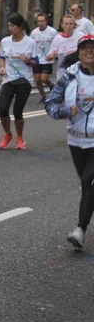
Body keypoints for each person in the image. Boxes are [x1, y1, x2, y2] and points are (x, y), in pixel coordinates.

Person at [46, 34, 94, 250]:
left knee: (88, 183)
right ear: (79, 52)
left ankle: (80, 230)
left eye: (93, 47)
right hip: (76, 140)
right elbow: (51, 104)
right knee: (87, 186)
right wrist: (67, 110)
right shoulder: (70, 76)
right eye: (85, 48)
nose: (89, 51)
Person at [0, 14, 37, 150]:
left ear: (20, 27)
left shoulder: (30, 42)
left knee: (17, 111)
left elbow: (36, 63)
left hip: (24, 80)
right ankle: (7, 135)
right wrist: (1, 66)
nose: (10, 28)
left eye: (12, 26)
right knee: (3, 108)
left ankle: (20, 137)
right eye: (8, 26)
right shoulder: (5, 41)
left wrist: (27, 60)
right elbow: (1, 56)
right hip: (8, 79)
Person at [30, 13, 58, 103]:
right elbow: (30, 44)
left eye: (42, 21)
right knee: (37, 79)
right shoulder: (34, 33)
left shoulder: (52, 32)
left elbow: (57, 43)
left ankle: (51, 84)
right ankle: (43, 96)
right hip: (37, 58)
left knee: (43, 79)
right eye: (38, 21)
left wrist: (54, 54)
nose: (40, 23)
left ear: (46, 21)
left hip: (47, 58)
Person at [47, 15, 81, 80]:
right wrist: (51, 56)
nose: (68, 26)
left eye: (71, 24)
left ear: (74, 25)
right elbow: (49, 57)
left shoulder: (80, 36)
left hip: (77, 71)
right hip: (62, 72)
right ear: (62, 25)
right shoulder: (57, 38)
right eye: (66, 24)